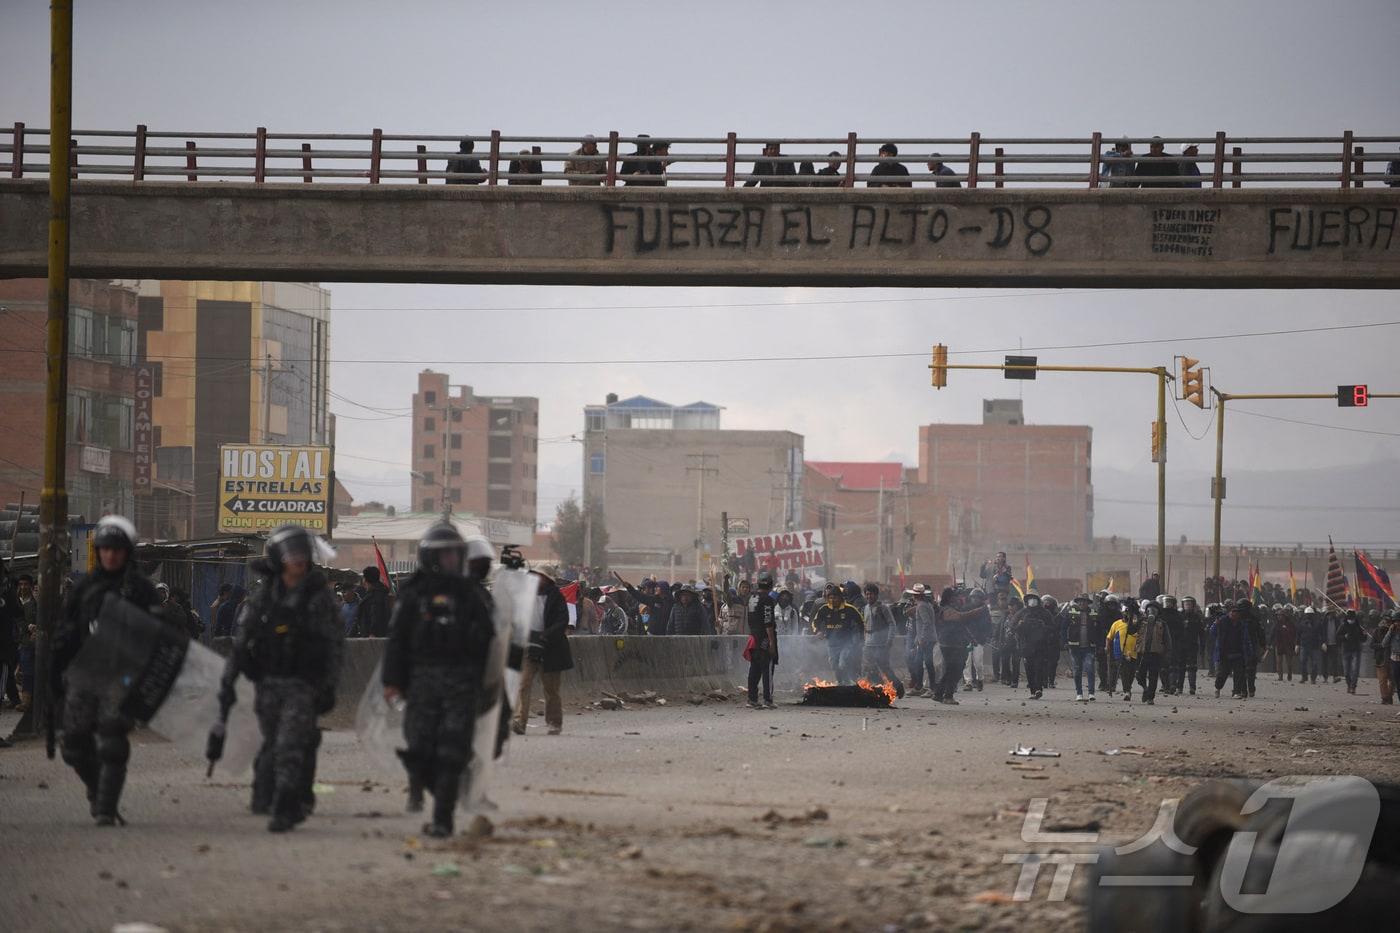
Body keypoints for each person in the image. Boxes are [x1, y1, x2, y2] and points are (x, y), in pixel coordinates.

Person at [51, 516, 171, 826]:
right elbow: (66, 631)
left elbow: (162, 636)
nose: (110, 555)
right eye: (104, 549)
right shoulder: (85, 588)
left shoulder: (142, 590)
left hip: (123, 675)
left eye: (117, 549)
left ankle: (105, 808)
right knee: (74, 746)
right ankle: (96, 787)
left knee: (112, 741)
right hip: (84, 673)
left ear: (127, 552)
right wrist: (56, 672)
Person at [223, 525, 343, 832]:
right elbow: (242, 641)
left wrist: (328, 685)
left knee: (291, 745)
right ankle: (277, 796)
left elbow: (333, 645)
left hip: (303, 685)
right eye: (292, 555)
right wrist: (229, 681)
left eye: (302, 555)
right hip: (268, 683)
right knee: (275, 744)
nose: (298, 561)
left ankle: (285, 807)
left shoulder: (320, 598)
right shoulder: (263, 598)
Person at [382, 524, 495, 838]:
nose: (451, 561)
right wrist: (392, 681)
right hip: (421, 682)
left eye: (455, 554)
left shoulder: (470, 595)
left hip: (461, 683)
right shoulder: (413, 594)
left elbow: (488, 640)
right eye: (445, 554)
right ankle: (424, 789)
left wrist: (484, 683)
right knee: (420, 747)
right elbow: (397, 641)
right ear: (431, 557)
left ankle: (442, 817)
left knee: (453, 750)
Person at [513, 568, 572, 736]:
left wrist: (546, 635)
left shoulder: (556, 596)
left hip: (551, 648)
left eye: (538, 576)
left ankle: (554, 722)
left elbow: (562, 621)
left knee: (551, 688)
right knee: (523, 685)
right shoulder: (524, 595)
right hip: (529, 645)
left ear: (546, 579)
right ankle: (519, 721)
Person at [935, 588, 984, 704]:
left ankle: (939, 693)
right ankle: (947, 695)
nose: (958, 598)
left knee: (954, 670)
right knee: (954, 670)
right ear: (949, 598)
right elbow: (960, 617)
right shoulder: (946, 610)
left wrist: (971, 639)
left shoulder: (955, 609)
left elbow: (962, 626)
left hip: (958, 644)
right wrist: (975, 612)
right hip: (949, 644)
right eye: (955, 596)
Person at [812, 583, 864, 685]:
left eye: (835, 598)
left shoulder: (849, 609)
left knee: (842, 662)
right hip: (831, 643)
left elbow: (861, 622)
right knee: (834, 665)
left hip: (847, 642)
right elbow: (815, 622)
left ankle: (849, 682)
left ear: (840, 598)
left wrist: (861, 637)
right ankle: (841, 683)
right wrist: (818, 631)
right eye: (830, 598)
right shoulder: (824, 609)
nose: (832, 600)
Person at [861, 583, 904, 697]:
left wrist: (889, 640)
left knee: (885, 668)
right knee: (869, 668)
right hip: (868, 644)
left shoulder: (883, 608)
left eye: (871, 594)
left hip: (881, 644)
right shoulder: (865, 608)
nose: (869, 596)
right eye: (867, 594)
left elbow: (892, 624)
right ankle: (881, 688)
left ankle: (898, 687)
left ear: (876, 595)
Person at [745, 574, 778, 710]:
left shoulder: (751, 597)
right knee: (767, 668)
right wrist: (772, 643)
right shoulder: (768, 600)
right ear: (770, 586)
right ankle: (767, 699)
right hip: (764, 637)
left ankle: (752, 698)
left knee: (754, 668)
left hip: (753, 637)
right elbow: (768, 622)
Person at [1212, 600, 1254, 700]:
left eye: (1236, 612)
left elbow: (1247, 639)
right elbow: (1213, 633)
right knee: (1222, 674)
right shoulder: (1222, 621)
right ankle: (1217, 687)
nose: (1234, 614)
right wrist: (1215, 624)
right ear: (1229, 612)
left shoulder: (1242, 624)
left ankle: (1236, 692)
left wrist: (1250, 652)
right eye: (1232, 612)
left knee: (1239, 674)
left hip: (1238, 653)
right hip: (1225, 654)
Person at [1015, 593, 1054, 700]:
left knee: (1039, 668)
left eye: (1034, 599)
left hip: (1040, 646)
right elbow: (1013, 627)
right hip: (1026, 646)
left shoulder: (1044, 613)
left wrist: (1042, 626)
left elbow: (1052, 627)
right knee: (1029, 669)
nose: (1032, 601)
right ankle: (1033, 690)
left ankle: (1038, 689)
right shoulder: (1021, 613)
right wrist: (1020, 625)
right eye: (1029, 599)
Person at [1063, 594, 1101, 701]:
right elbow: (1063, 627)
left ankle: (1091, 693)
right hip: (1074, 647)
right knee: (1077, 670)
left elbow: (1099, 630)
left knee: (1089, 668)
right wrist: (1064, 641)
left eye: (1084, 601)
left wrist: (1100, 644)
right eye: (1080, 601)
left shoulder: (1094, 614)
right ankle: (1079, 693)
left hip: (1089, 647)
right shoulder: (1070, 613)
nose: (1081, 603)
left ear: (1088, 603)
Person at [1134, 599, 1172, 705]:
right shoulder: (1141, 622)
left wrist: (1167, 654)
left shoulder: (1162, 624)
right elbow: (1131, 630)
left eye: (1154, 610)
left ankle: (1150, 697)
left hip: (1155, 654)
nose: (1151, 612)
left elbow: (1167, 640)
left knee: (1153, 677)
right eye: (1149, 609)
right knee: (1139, 675)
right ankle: (1145, 689)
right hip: (1142, 653)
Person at [905, 585, 938, 694]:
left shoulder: (922, 606)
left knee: (927, 663)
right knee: (918, 662)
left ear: (915, 595)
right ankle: (919, 686)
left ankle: (932, 688)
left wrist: (922, 638)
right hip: (925, 639)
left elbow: (926, 623)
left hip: (926, 640)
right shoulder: (925, 604)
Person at [13, 572, 36, 714]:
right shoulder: (12, 601)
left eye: (26, 584)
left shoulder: (35, 604)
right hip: (11, 641)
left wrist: (35, 628)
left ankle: (26, 701)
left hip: (26, 642)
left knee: (27, 671)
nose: (23, 587)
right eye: (20, 584)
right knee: (11, 672)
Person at [1106, 607, 1138, 702]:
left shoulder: (1135, 625)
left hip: (1133, 653)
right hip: (1120, 653)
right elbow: (1109, 637)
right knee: (1124, 672)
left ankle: (1128, 688)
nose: (1127, 615)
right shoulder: (1116, 624)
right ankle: (1126, 691)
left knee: (1131, 673)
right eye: (1126, 613)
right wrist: (1107, 646)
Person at [351, 567, 391, 638]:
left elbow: (375, 614)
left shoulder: (375, 596)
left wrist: (373, 633)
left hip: (372, 638)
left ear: (366, 580)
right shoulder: (381, 593)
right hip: (380, 636)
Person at [1337, 610, 1369, 695]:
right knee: (1346, 671)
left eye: (1352, 618)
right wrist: (1344, 636)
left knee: (1355, 670)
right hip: (1346, 650)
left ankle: (1353, 687)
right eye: (1349, 618)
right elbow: (1337, 637)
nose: (1351, 620)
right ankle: (1349, 684)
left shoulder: (1359, 627)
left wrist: (1365, 635)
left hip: (1356, 650)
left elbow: (1363, 639)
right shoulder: (1343, 626)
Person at [1373, 610, 1395, 704]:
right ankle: (1384, 697)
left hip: (1393, 658)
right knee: (1382, 680)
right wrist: (1381, 646)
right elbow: (1372, 645)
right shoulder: (1377, 631)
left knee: (1393, 680)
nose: (1386, 622)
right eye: (1385, 620)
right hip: (1381, 659)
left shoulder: (1395, 631)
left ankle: (1389, 695)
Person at [1272, 605, 1298, 682]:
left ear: (1284, 616)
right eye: (1278, 615)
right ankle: (1280, 676)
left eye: (1280, 615)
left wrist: (1294, 643)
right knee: (1279, 662)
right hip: (1279, 645)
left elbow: (1294, 634)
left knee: (1289, 662)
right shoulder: (1276, 624)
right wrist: (1269, 643)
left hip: (1288, 645)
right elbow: (1272, 634)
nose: (1278, 617)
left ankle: (1289, 674)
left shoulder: (1290, 624)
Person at [1298, 606, 1323, 683]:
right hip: (1304, 645)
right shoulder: (1302, 623)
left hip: (1314, 646)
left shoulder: (1317, 624)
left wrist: (1323, 643)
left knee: (1314, 663)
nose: (1308, 616)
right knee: (1303, 661)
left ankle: (1313, 678)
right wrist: (1297, 644)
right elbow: (1298, 634)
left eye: (1310, 614)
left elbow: (1321, 634)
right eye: (1307, 614)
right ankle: (1304, 677)